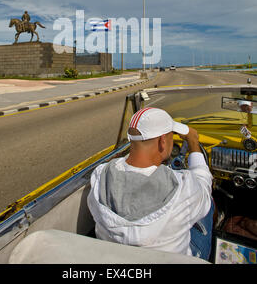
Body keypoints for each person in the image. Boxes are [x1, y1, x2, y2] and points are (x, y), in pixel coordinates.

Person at [87, 107, 214, 260]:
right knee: (209, 203)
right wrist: (193, 143)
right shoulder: (183, 187)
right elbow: (204, 184)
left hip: (116, 258)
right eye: (171, 136)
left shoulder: (101, 175)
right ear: (162, 142)